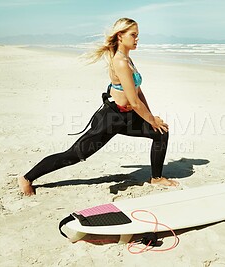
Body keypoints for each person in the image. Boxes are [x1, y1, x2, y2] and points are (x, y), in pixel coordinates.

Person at [18, 18, 178, 196]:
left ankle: (156, 178)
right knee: (74, 155)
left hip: (128, 117)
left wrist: (151, 117)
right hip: (111, 118)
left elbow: (138, 93)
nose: (137, 39)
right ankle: (27, 178)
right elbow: (133, 101)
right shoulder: (120, 62)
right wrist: (151, 119)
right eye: (133, 35)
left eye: (137, 35)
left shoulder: (128, 60)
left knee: (160, 132)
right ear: (120, 36)